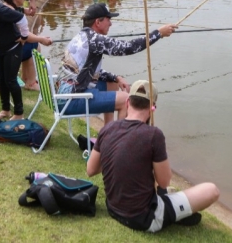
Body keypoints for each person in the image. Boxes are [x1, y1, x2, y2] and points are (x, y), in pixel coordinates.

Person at [87, 79, 219, 232]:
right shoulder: (153, 135)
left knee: (169, 192)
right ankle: (174, 214)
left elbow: (91, 169)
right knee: (211, 190)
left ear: (128, 103)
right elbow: (163, 182)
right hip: (145, 218)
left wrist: (119, 156)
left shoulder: (108, 129)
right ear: (152, 108)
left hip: (113, 209)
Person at [57, 3, 176, 124]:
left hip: (65, 94)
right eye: (108, 19)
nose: (110, 23)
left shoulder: (81, 36)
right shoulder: (95, 40)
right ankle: (119, 139)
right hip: (70, 100)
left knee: (112, 84)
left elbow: (84, 70)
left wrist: (115, 78)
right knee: (126, 100)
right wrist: (158, 33)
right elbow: (129, 47)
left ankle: (107, 132)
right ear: (98, 22)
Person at [0, 0, 52, 91]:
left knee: (31, 44)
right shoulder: (13, 14)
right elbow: (25, 35)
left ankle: (25, 77)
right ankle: (31, 82)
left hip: (1, 47)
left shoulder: (4, 6)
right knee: (34, 45)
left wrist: (24, 10)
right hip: (9, 52)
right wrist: (41, 39)